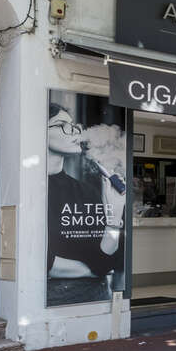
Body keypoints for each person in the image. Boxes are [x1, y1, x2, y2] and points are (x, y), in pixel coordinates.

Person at [46, 103, 128, 305]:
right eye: (62, 125)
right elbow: (41, 263)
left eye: (74, 126)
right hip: (53, 297)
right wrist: (94, 270)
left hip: (98, 294)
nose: (74, 132)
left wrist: (114, 216)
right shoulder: (30, 189)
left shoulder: (85, 191)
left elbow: (109, 260)